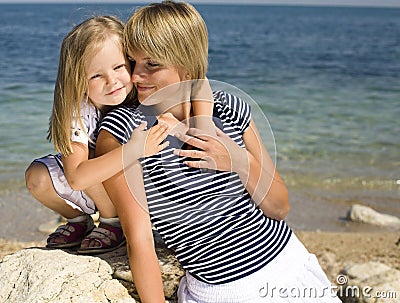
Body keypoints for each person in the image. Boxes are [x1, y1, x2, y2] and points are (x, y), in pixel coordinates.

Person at [96, 1, 341, 302]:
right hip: (217, 291)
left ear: (185, 63)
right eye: (132, 62)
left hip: (289, 270)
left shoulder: (229, 107)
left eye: (152, 64)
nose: (135, 76)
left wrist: (237, 160)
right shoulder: (124, 130)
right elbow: (140, 238)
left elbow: (279, 207)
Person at [25, 15, 169, 254]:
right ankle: (86, 220)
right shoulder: (79, 111)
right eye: (96, 75)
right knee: (37, 176)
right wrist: (134, 149)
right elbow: (77, 178)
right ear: (78, 80)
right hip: (95, 183)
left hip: (138, 186)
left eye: (118, 67)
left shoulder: (144, 91)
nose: (112, 81)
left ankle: (117, 219)